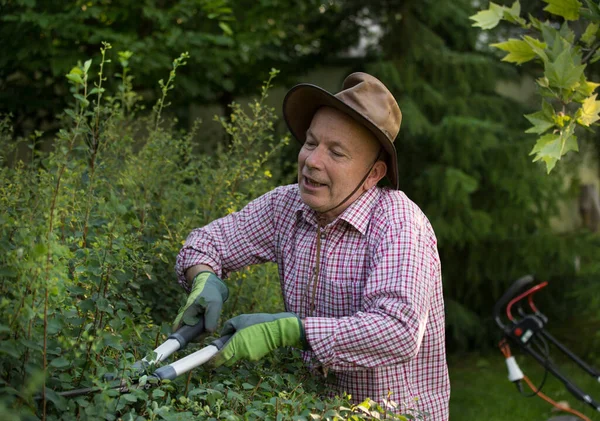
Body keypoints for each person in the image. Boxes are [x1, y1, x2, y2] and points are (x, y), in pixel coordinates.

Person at [174, 72, 450, 419]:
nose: (312, 161)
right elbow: (205, 243)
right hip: (311, 410)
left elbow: (399, 330)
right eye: (310, 142)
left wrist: (289, 330)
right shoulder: (287, 206)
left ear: (374, 174)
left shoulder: (400, 225)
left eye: (336, 152)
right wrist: (204, 280)